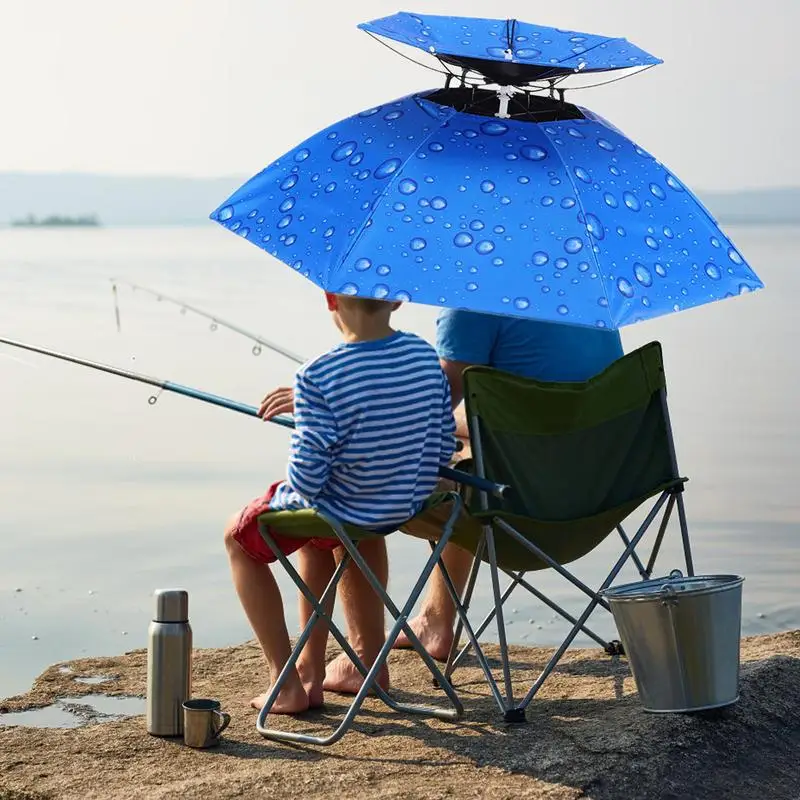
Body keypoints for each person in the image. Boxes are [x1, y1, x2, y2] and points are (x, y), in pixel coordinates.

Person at [261, 307, 624, 691]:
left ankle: (363, 657)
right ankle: (436, 618)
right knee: (466, 455)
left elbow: (422, 412)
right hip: (600, 492)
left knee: (353, 484)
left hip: (517, 504)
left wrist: (329, 405)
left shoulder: (474, 300)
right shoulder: (591, 292)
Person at [224, 291, 455, 714]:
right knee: (322, 536)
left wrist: (304, 429)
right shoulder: (425, 357)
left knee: (237, 539)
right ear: (399, 301)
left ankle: (285, 681)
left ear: (331, 300)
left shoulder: (317, 376)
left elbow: (308, 479)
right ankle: (323, 668)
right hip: (405, 504)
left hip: (346, 511)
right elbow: (442, 448)